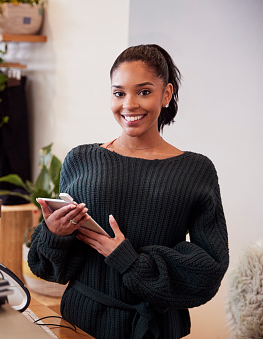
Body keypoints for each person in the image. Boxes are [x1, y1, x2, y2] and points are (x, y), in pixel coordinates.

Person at [28, 44, 229, 339]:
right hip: (79, 325)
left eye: (144, 92)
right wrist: (55, 234)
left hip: (154, 330)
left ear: (167, 94)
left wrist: (130, 260)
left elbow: (209, 268)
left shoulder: (196, 170)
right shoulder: (81, 159)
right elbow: (49, 269)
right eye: (119, 93)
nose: (129, 105)